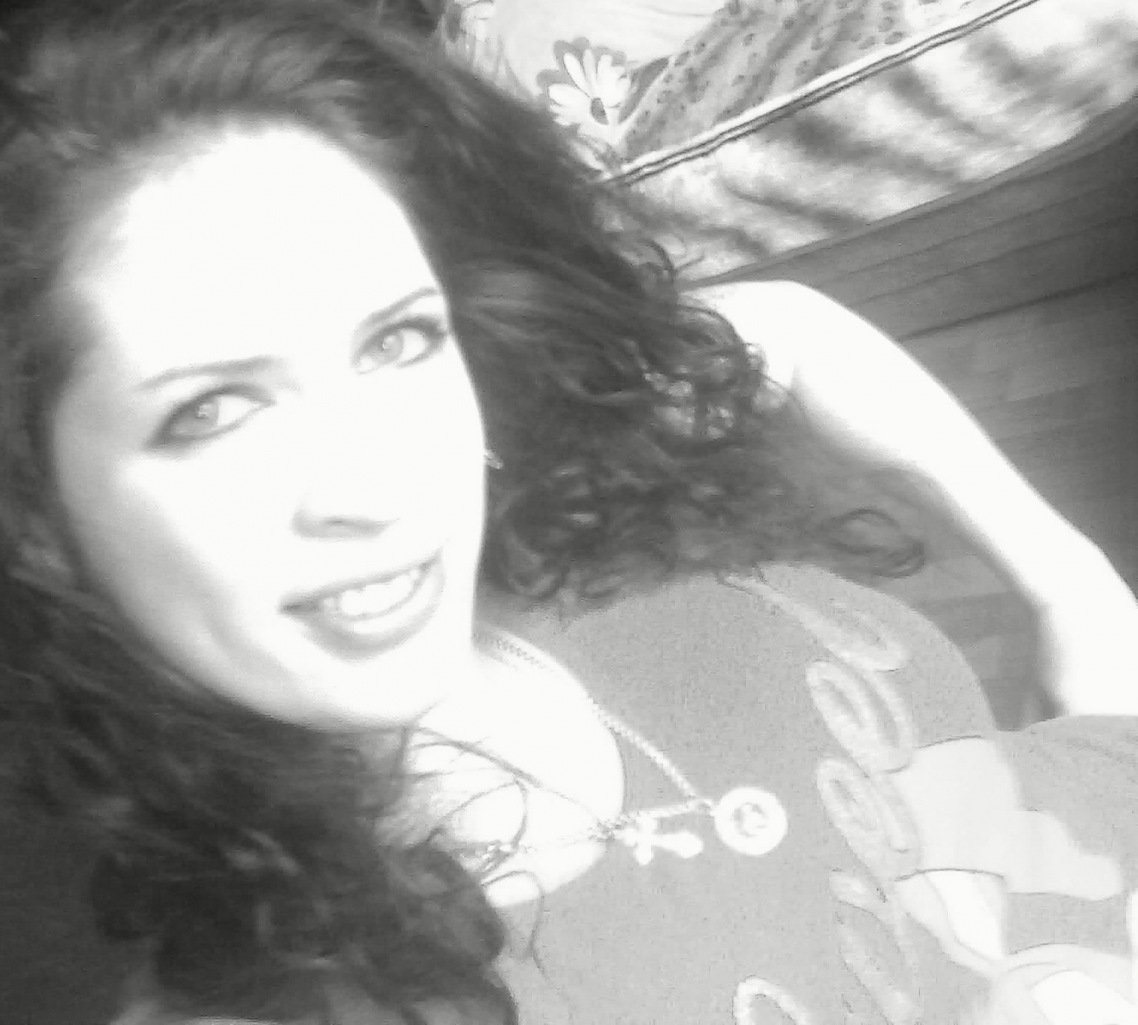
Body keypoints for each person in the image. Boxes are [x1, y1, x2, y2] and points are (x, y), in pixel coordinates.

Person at [1, 1, 1137, 1023]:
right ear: (38, 514)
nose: (375, 486)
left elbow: (785, 329)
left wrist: (1074, 586)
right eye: (208, 412)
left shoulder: (546, 512)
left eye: (397, 339)